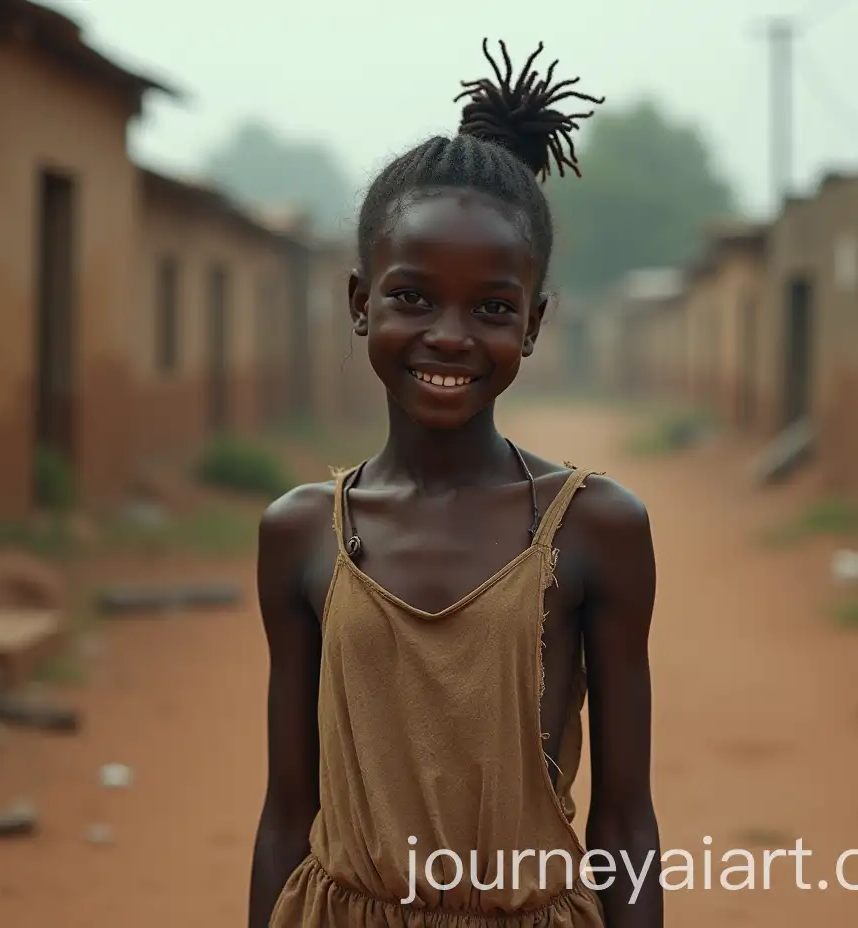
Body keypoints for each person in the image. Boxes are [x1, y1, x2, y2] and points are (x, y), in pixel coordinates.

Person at [248, 38, 661, 928]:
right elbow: (288, 814)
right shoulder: (301, 533)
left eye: (492, 308)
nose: (449, 335)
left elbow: (625, 823)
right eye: (412, 297)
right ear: (360, 302)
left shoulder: (595, 529)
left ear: (535, 323)